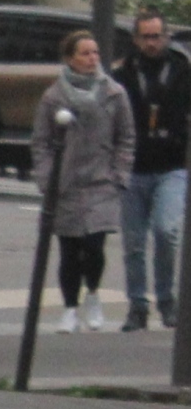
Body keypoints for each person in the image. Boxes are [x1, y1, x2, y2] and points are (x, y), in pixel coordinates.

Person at [33, 28, 135, 333]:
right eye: (84, 53)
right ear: (70, 59)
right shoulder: (54, 97)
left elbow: (126, 136)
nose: (92, 59)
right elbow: (41, 141)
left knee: (94, 246)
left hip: (102, 181)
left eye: (95, 53)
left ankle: (92, 293)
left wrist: (120, 174)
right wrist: (48, 178)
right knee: (69, 249)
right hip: (65, 184)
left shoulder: (114, 93)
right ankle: (69, 308)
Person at [110, 11, 187, 331]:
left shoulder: (182, 69)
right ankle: (137, 305)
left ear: (166, 36)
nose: (153, 42)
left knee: (166, 231)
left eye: (158, 36)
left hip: (172, 164)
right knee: (134, 241)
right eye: (146, 37)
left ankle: (166, 300)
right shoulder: (125, 73)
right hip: (134, 166)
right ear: (136, 39)